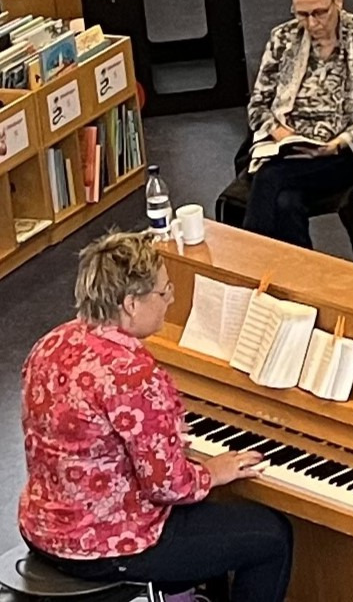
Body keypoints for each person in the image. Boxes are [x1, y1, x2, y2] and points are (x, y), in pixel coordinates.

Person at [19, 232, 293, 601]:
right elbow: (168, 487)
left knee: (216, 523)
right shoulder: (133, 374)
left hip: (43, 526)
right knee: (271, 536)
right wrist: (213, 470)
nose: (172, 299)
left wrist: (163, 434)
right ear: (131, 303)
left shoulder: (52, 342)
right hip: (106, 546)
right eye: (164, 292)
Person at [244, 0, 353, 248]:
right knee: (287, 203)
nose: (312, 24)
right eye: (302, 14)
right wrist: (282, 136)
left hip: (341, 153)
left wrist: (336, 144)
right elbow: (258, 106)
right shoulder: (283, 39)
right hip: (288, 147)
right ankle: (302, 283)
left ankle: (252, 258)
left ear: (338, 0)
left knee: (269, 177)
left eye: (319, 13)